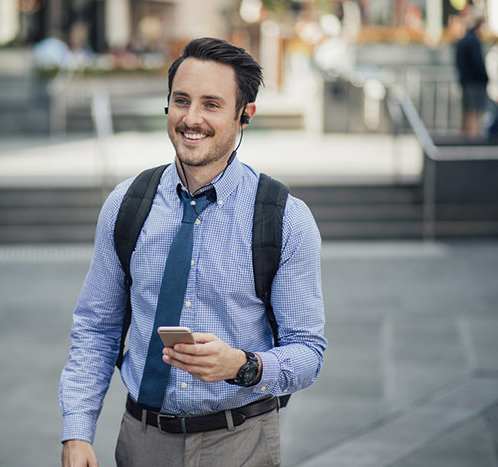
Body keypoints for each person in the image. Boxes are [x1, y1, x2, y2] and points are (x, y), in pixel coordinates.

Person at [59, 37, 326, 467]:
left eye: (212, 104)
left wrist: (241, 365)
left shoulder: (284, 219)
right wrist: (76, 429)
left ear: (244, 117)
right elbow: (96, 327)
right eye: (181, 100)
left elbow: (308, 351)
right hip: (143, 441)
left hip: (242, 441)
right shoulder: (127, 204)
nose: (192, 118)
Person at [456, 9, 489, 139]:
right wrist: (485, 77)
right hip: (475, 83)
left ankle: (464, 140)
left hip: (466, 82)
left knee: (467, 113)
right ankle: (472, 142)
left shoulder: (463, 40)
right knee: (474, 114)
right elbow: (477, 64)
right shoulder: (473, 41)